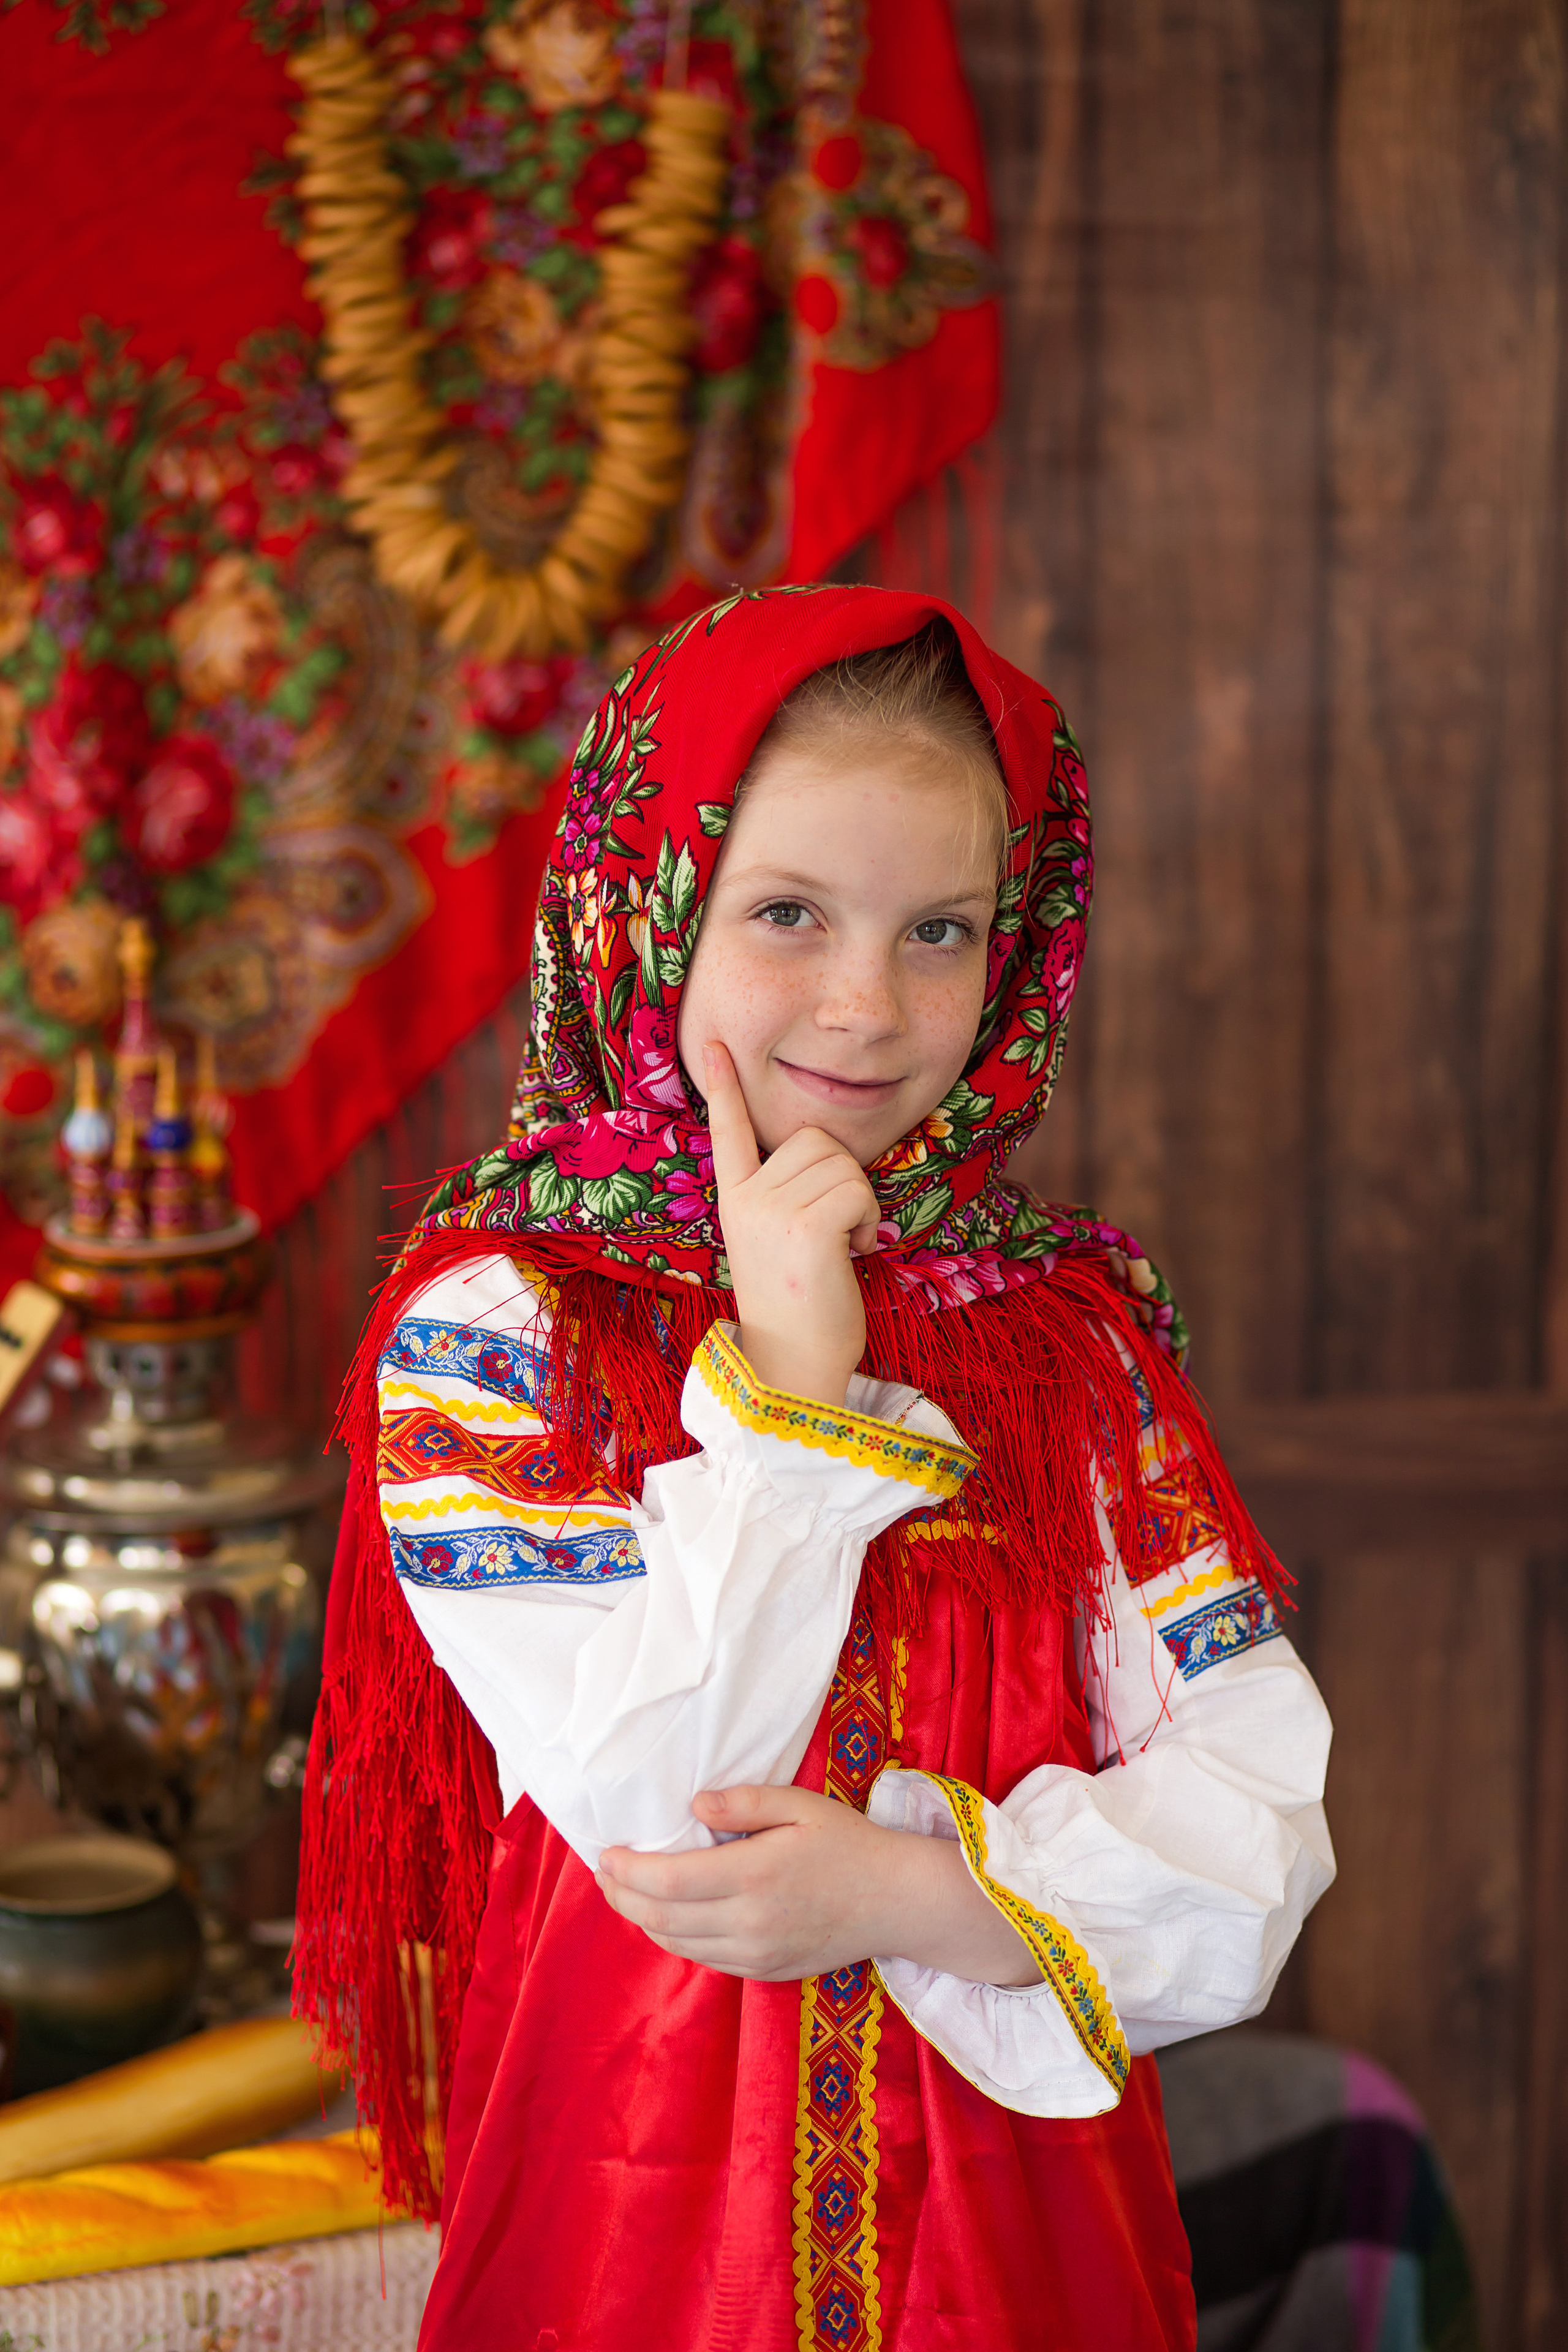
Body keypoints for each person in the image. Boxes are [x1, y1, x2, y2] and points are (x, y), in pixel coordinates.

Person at [295, 584, 1335, 2352]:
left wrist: (924, 1893)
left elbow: (1261, 1821)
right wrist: (789, 1378)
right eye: (787, 913)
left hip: (1014, 2254)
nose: (866, 1004)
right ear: (645, 910)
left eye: (940, 931)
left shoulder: (1066, 1351)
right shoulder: (498, 1326)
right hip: (636, 2237)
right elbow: (650, 1800)